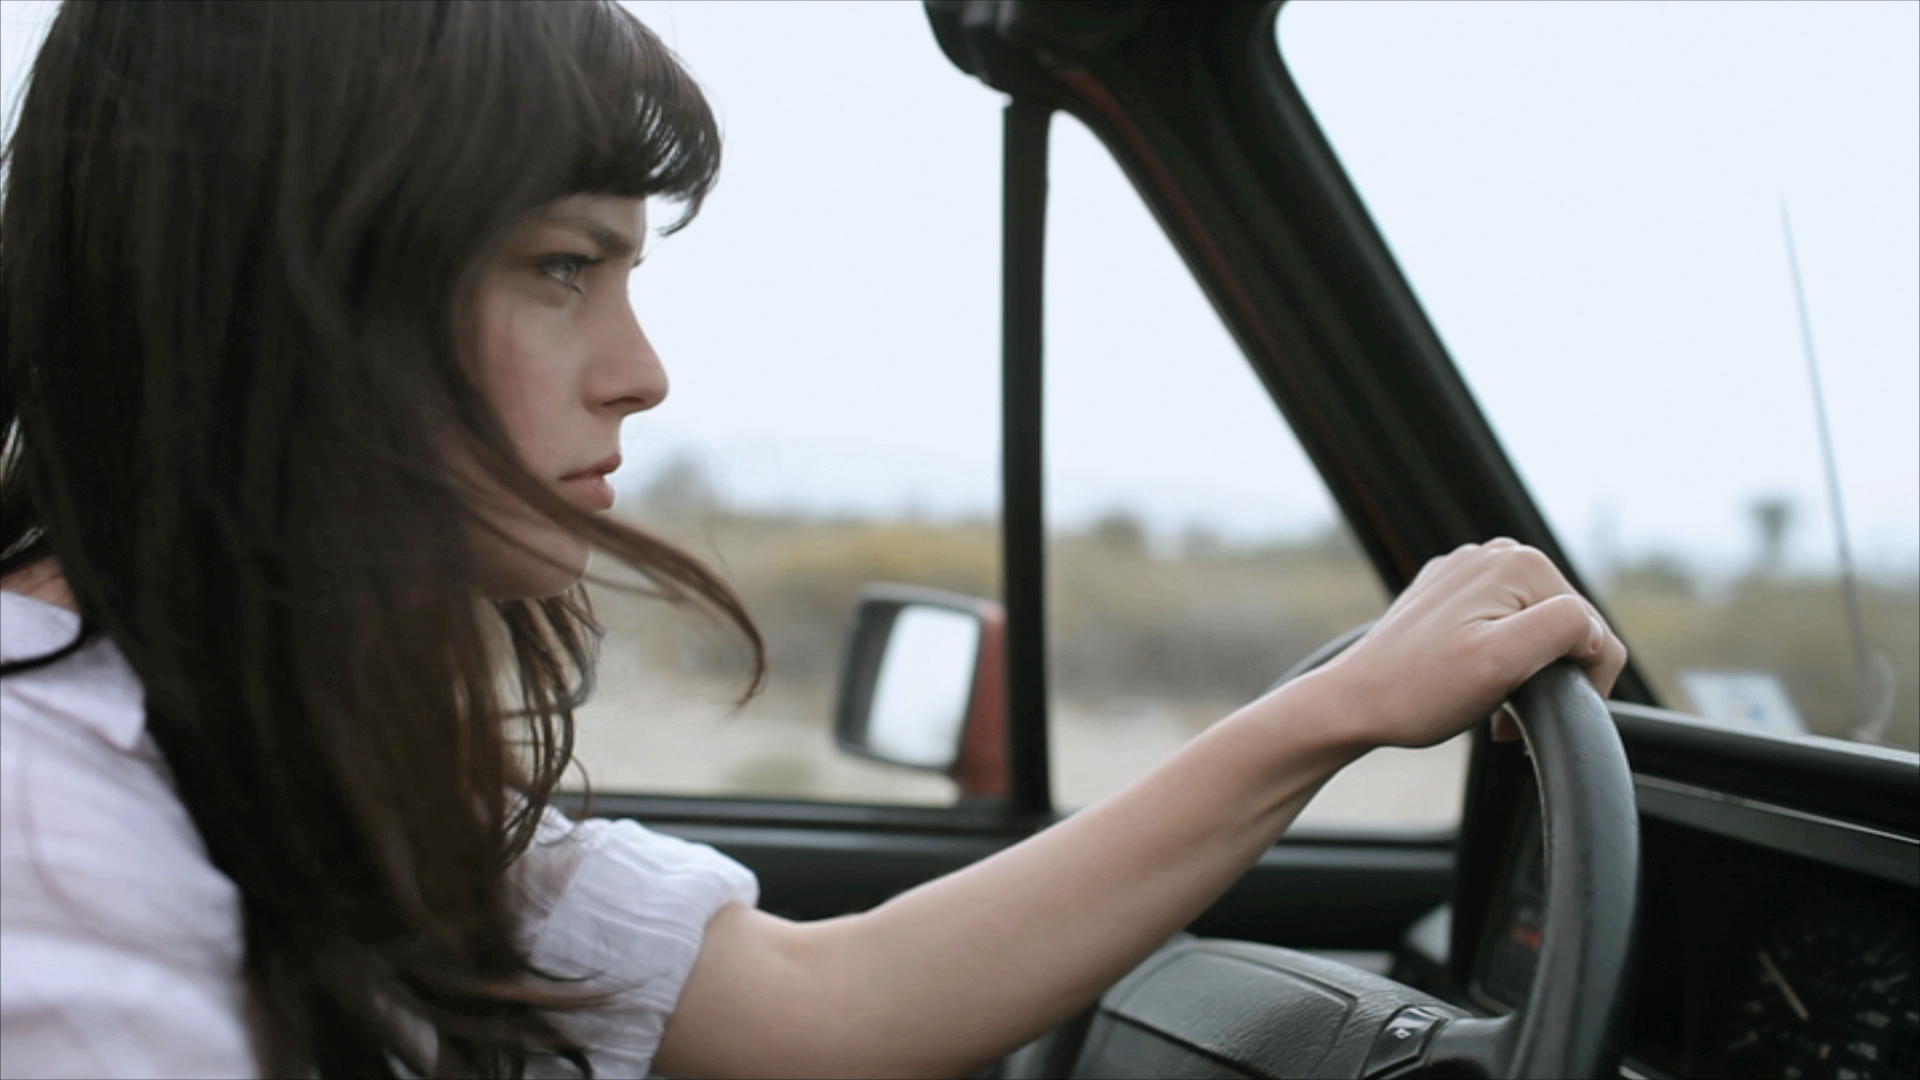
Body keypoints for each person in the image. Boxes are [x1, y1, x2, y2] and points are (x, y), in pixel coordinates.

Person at [0, 2, 1627, 1077]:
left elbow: (821, 1007)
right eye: (563, 266)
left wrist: (1333, 712)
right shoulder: (46, 844)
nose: (640, 371)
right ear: (296, 285)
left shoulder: (265, 747)